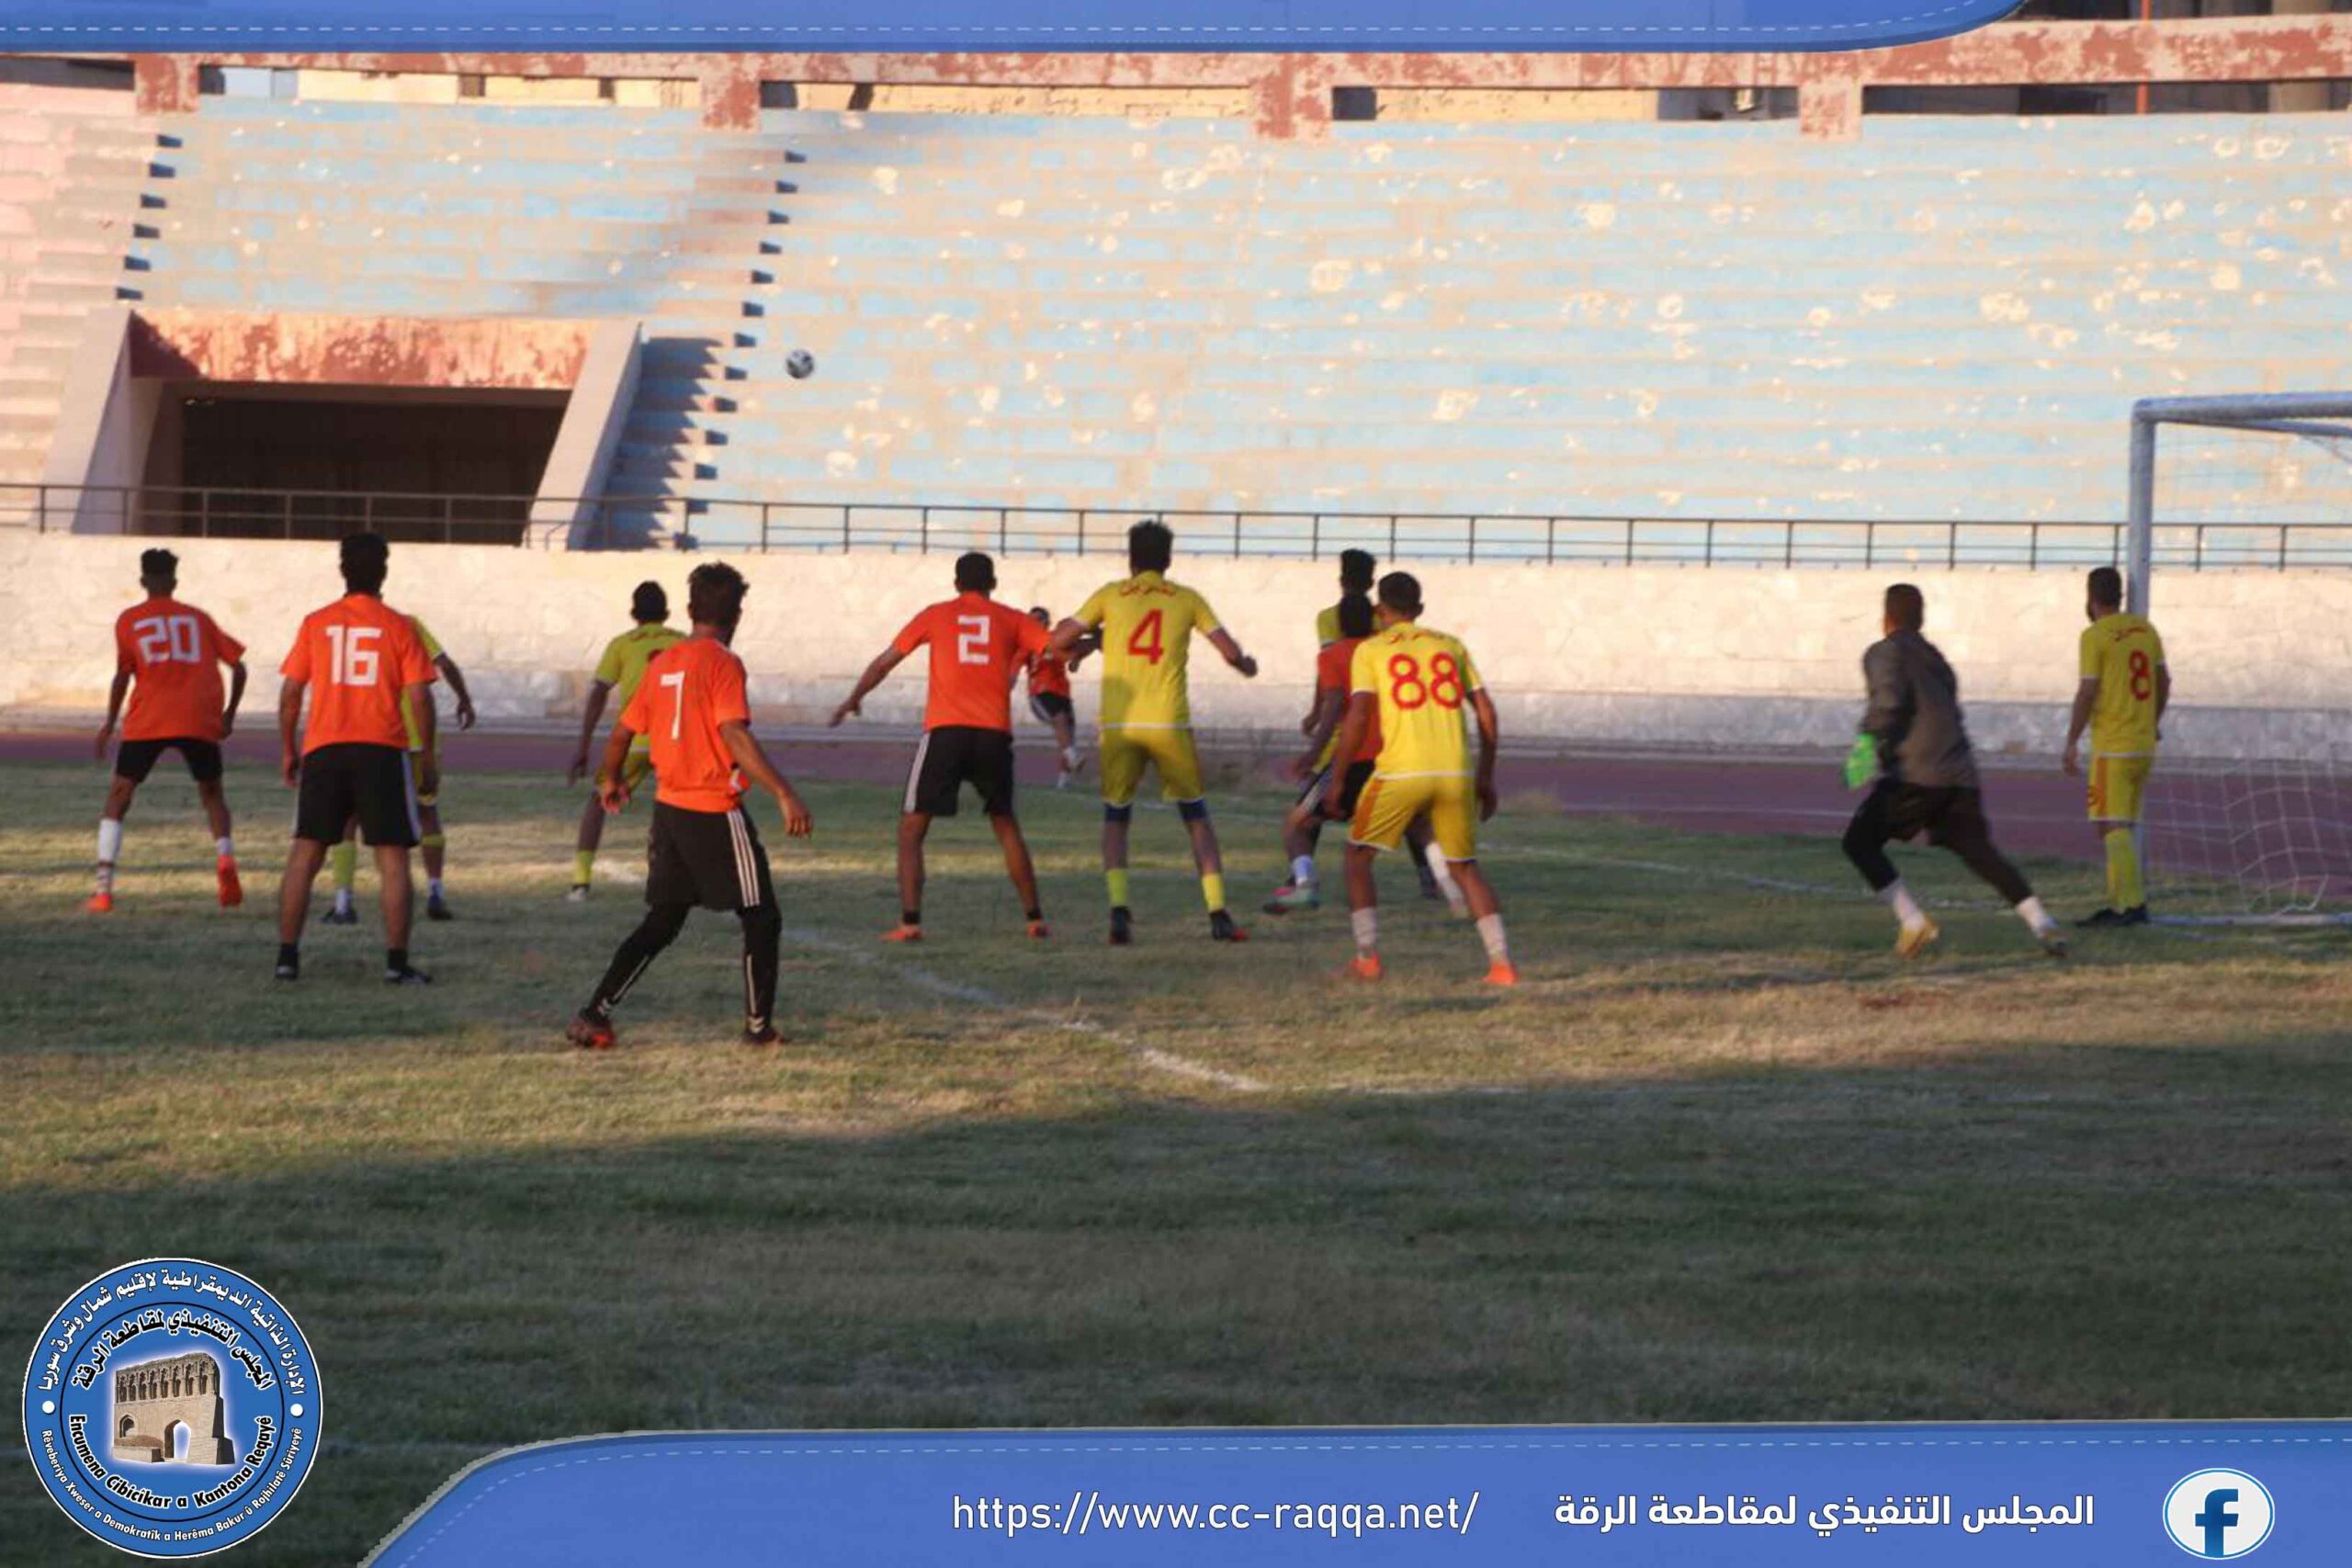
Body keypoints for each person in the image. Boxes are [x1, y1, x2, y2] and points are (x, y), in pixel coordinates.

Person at [567, 562, 814, 1049]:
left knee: (663, 920)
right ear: (737, 614)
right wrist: (784, 793)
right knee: (761, 914)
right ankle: (759, 1029)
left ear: (689, 609)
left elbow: (621, 733)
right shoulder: (723, 663)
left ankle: (594, 1014)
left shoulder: (664, 663)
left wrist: (611, 779)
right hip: (712, 808)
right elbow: (733, 732)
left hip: (669, 809)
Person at [1049, 519, 1260, 946]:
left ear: (1130, 559)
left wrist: (1093, 642)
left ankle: (1118, 911)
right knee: (1196, 817)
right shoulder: (1186, 598)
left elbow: (1058, 640)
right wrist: (1246, 666)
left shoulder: (1111, 595)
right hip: (1168, 721)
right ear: (1168, 559)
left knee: (1116, 816)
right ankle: (1218, 913)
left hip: (1119, 723)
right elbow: (1229, 651)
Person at [829, 552, 1054, 942]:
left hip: (946, 731)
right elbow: (1057, 647)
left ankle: (910, 923)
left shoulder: (936, 615)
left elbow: (884, 663)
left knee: (912, 829)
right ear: (993, 584)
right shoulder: (1013, 618)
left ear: (956, 584)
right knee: (1006, 825)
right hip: (993, 733)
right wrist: (1092, 643)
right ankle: (1034, 919)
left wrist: (854, 697)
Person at [1841, 582, 2067, 959]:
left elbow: (1889, 700)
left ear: (1886, 619)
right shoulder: (1937, 659)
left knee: (1859, 842)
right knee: (1979, 851)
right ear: (1921, 619)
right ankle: (2042, 921)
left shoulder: (1883, 652)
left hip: (1916, 774)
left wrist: (1866, 742)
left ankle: (1913, 921)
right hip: (1960, 773)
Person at [1327, 572, 1516, 985]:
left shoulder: (1371, 649)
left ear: (1379, 610)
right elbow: (1486, 712)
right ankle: (1501, 964)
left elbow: (1359, 715)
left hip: (1402, 770)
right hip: (1454, 770)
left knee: (1357, 857)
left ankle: (1367, 959)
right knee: (1464, 867)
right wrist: (1485, 775)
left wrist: (1338, 777)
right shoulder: (1450, 645)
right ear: (1420, 609)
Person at [274, 533, 437, 984]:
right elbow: (420, 697)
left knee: (305, 852)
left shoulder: (316, 622)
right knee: (392, 858)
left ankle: (286, 958)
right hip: (381, 749)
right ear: (383, 572)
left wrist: (288, 747)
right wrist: (426, 755)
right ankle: (396, 964)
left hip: (324, 748)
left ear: (342, 570)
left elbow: (291, 692)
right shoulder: (399, 626)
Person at [1266, 591, 1461, 917]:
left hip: (1355, 758)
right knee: (1419, 826)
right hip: (1394, 756)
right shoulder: (1384, 652)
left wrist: (1313, 753)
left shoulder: (1333, 656)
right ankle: (1451, 888)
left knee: (1295, 824)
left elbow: (1334, 706)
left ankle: (1305, 884)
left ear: (1340, 624)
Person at [89, 548, 248, 912]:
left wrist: (109, 723)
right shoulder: (198, 618)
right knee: (212, 795)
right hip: (197, 716)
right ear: (175, 581)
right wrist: (229, 715)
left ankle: (103, 889)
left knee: (119, 796)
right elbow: (239, 667)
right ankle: (225, 859)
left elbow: (123, 675)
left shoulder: (129, 620)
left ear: (143, 581)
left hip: (150, 716)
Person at [322, 613, 474, 924]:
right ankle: (435, 893)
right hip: (418, 735)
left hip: (377, 736)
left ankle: (343, 902)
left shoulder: (345, 629)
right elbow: (444, 663)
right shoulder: (408, 624)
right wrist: (464, 699)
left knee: (350, 816)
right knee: (427, 812)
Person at [2063, 566, 2169, 926]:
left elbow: (2087, 690)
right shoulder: (2146, 630)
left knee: (2110, 825)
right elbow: (2164, 680)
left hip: (2113, 745)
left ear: (2090, 598)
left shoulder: (2094, 636)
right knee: (2119, 824)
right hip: (2143, 744)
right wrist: (2153, 721)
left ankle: (2132, 905)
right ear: (2120, 595)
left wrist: (2071, 741)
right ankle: (2119, 903)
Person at [566, 581, 685, 900]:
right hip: (676, 741)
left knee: (598, 802)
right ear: (667, 613)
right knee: (680, 807)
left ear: (634, 613)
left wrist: (583, 745)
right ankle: (679, 879)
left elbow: (599, 692)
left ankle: (580, 882)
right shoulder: (683, 643)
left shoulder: (622, 644)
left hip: (634, 739)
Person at [1023, 605, 1087, 788]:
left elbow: (1072, 660)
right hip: (1040, 692)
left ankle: (1063, 781)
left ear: (1047, 622)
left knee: (1068, 738)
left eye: (1039, 619)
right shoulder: (1025, 643)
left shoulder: (1056, 640)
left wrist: (1076, 658)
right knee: (1059, 719)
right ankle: (1073, 758)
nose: (1035, 623)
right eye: (1032, 620)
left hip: (1062, 692)